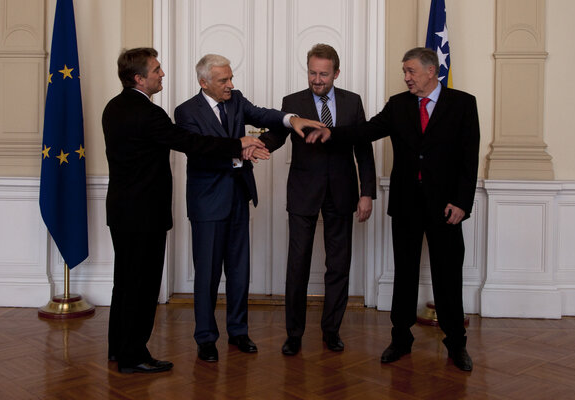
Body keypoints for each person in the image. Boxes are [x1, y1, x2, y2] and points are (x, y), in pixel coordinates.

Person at [306, 47, 479, 371]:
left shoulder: (463, 104)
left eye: (411, 71)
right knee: (405, 274)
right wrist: (332, 132)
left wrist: (461, 203)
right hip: (406, 205)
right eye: (404, 72)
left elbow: (469, 159)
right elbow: (366, 131)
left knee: (448, 275)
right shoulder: (399, 105)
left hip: (446, 207)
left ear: (431, 71)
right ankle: (401, 339)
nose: (406, 78)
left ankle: (456, 343)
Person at [101, 47, 268, 374]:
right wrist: (239, 144)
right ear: (139, 78)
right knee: (143, 286)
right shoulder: (148, 114)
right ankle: (134, 356)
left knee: (124, 283)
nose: (162, 74)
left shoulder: (113, 107)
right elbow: (191, 142)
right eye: (156, 69)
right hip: (145, 214)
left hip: (121, 211)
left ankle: (118, 347)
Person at [174, 53, 323, 363]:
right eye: (223, 80)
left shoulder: (237, 100)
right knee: (208, 274)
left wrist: (291, 119)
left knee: (240, 271)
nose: (231, 84)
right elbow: (200, 152)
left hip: (239, 198)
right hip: (207, 204)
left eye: (231, 78)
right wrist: (240, 151)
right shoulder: (186, 111)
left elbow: (264, 114)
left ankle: (238, 331)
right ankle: (205, 337)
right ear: (204, 83)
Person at [259, 43, 376, 356]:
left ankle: (331, 331)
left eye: (324, 74)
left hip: (342, 192)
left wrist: (367, 192)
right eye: (312, 72)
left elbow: (363, 148)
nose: (317, 79)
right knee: (297, 265)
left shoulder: (352, 102)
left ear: (336, 73)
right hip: (303, 193)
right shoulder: (292, 102)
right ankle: (293, 334)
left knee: (338, 265)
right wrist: (257, 146)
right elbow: (276, 134)